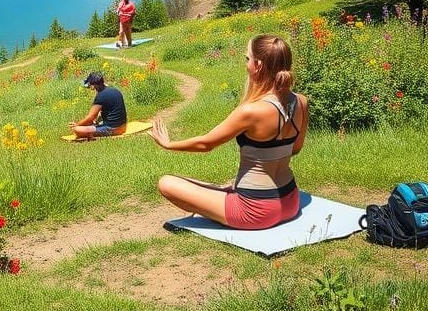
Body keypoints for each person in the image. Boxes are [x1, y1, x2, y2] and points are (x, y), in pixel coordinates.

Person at [149, 35, 308, 230]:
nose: (246, 63)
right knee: (218, 188)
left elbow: (205, 144)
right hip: (290, 201)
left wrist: (168, 144)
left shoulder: (251, 111)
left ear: (257, 65)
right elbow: (296, 148)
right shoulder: (301, 101)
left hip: (255, 211)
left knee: (167, 183)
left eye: (247, 59)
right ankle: (223, 199)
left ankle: (217, 211)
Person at [70, 71, 128, 139]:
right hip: (123, 126)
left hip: (113, 129)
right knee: (88, 124)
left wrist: (77, 125)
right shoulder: (114, 90)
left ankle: (90, 134)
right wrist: (94, 122)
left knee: (77, 130)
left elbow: (90, 117)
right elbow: (98, 114)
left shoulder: (101, 96)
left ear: (94, 85)